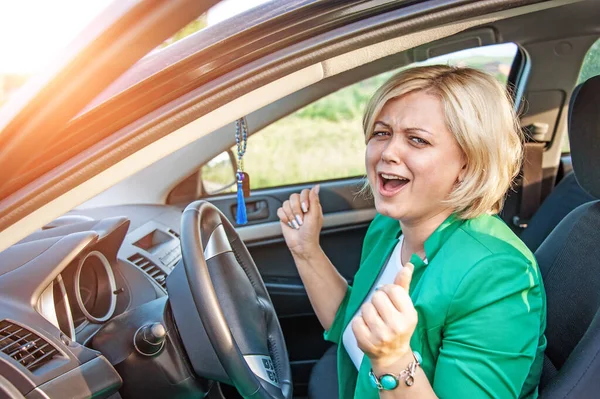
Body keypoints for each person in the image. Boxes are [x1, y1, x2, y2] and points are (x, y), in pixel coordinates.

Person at [276, 65, 547, 399]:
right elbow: (353, 323)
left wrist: (393, 359)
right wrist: (307, 251)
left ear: (468, 163)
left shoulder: (499, 275)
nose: (388, 153)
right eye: (381, 133)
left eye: (417, 140)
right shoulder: (388, 227)